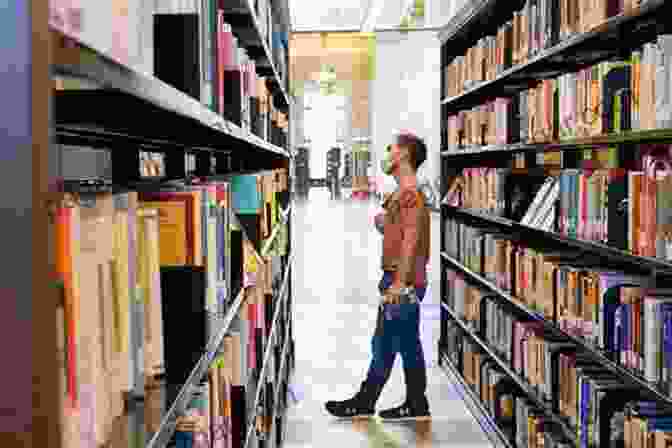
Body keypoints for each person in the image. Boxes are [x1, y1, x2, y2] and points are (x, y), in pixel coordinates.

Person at [325, 132, 431, 420]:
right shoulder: (402, 192)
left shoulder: (409, 193)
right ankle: (388, 401)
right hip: (400, 279)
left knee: (392, 345)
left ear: (404, 155)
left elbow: (411, 239)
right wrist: (385, 222)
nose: (386, 153)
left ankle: (373, 401)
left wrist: (399, 283)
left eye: (390, 148)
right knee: (394, 344)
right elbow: (402, 231)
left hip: (403, 281)